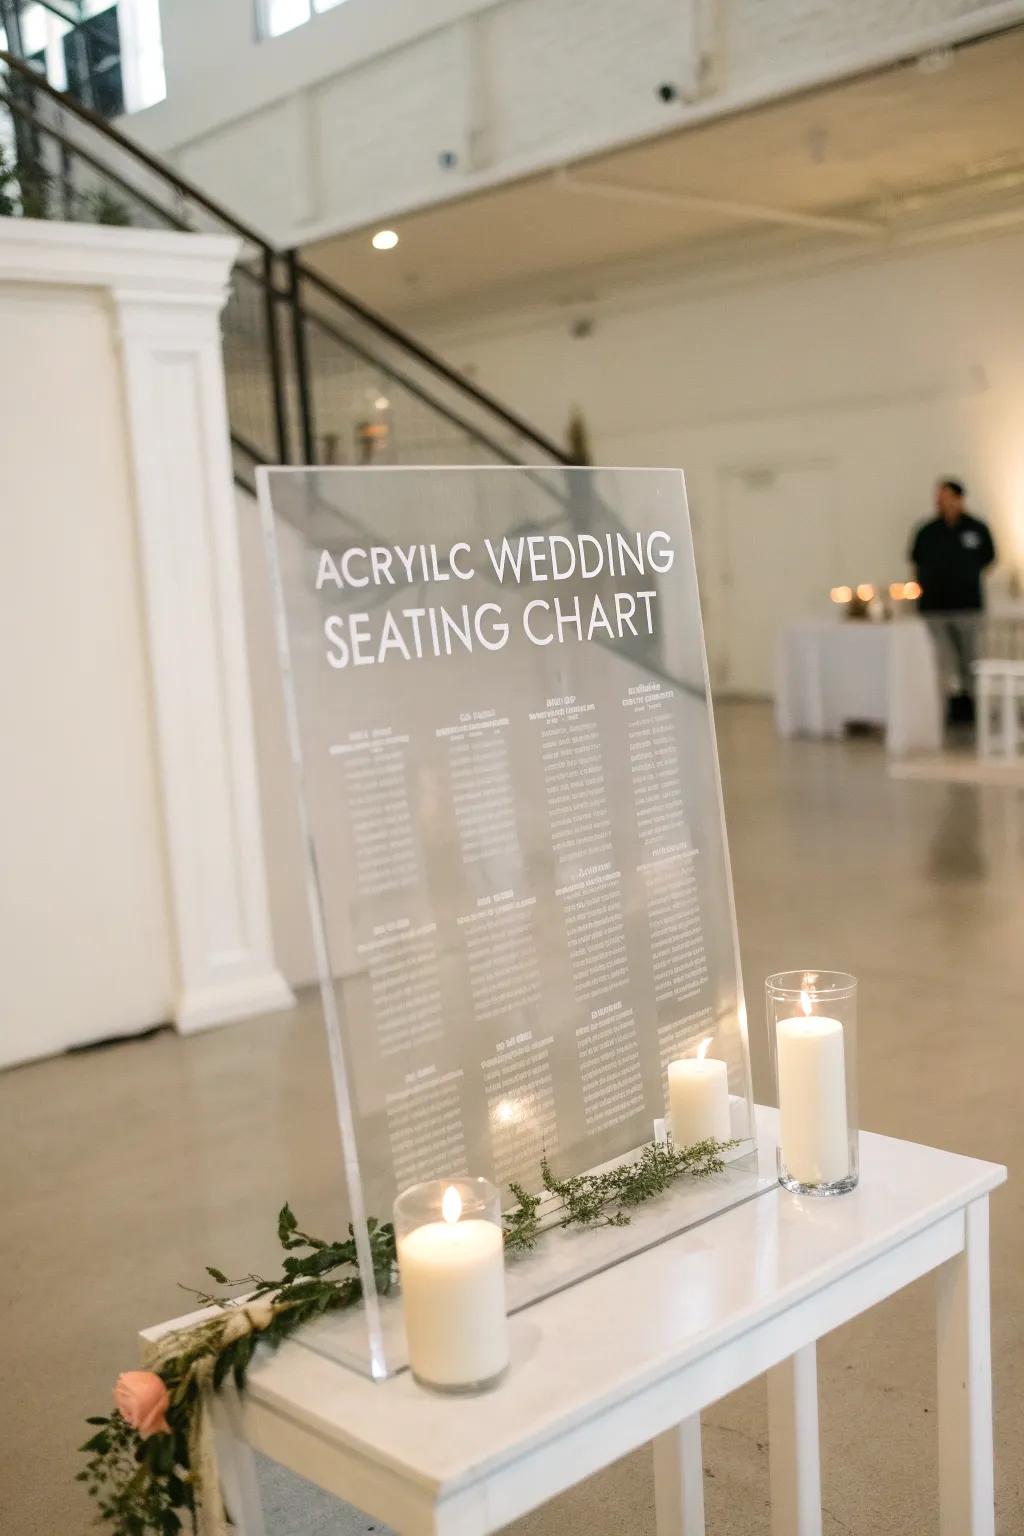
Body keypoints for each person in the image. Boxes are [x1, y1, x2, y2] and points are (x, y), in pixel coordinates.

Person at [910, 479, 996, 717]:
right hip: (935, 607)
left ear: (959, 499)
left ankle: (975, 709)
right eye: (939, 498)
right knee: (942, 661)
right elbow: (917, 560)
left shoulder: (976, 528)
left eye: (947, 497)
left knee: (972, 659)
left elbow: (988, 558)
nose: (942, 503)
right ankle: (945, 711)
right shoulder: (927, 531)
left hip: (967, 605)